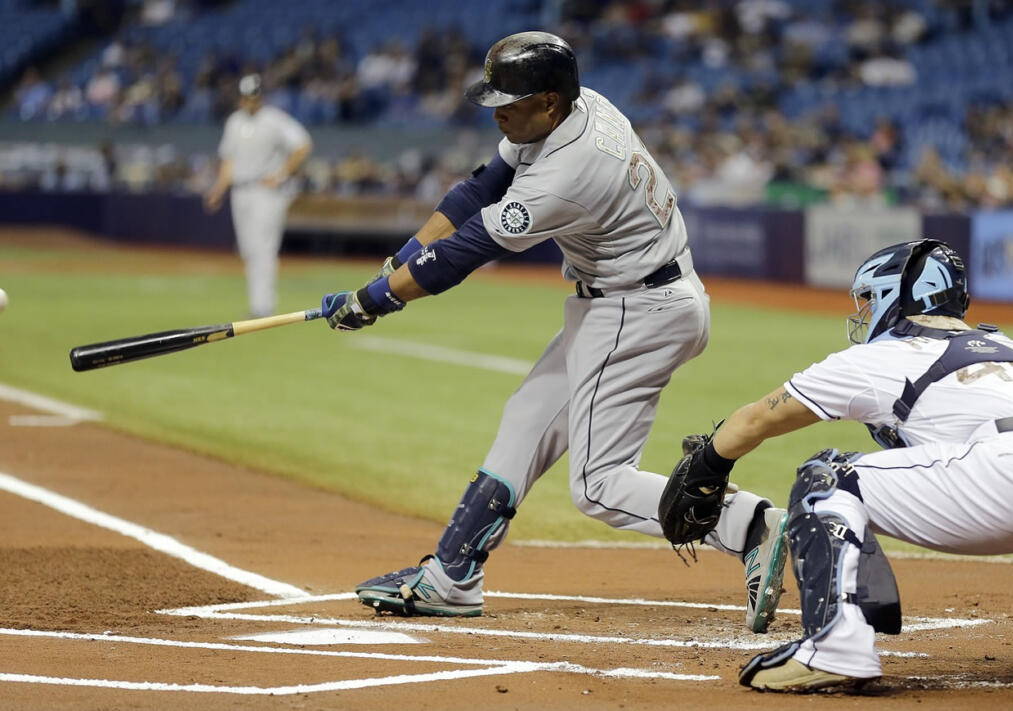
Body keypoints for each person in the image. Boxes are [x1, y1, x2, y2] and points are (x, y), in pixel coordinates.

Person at [319, 31, 789, 633]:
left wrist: (374, 299)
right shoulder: (574, 107)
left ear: (547, 101)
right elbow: (480, 188)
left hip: (635, 310)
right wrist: (403, 256)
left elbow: (468, 249)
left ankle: (749, 524)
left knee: (599, 486)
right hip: (631, 300)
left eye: (508, 102)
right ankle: (452, 575)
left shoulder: (570, 171)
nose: (498, 112)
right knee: (528, 417)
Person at [664, 239, 1013, 691]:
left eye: (868, 299)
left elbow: (759, 418)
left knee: (826, 479)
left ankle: (836, 646)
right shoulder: (1004, 344)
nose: (862, 313)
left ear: (897, 296)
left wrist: (711, 464)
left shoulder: (881, 355)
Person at [204, 74, 312, 318]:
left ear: (260, 97)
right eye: (246, 97)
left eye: (254, 97)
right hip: (240, 190)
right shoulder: (234, 122)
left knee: (263, 248)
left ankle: (263, 306)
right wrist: (219, 189)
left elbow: (303, 144)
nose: (250, 102)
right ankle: (259, 303)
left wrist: (282, 173)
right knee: (247, 249)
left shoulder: (274, 120)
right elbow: (229, 160)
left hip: (267, 192)